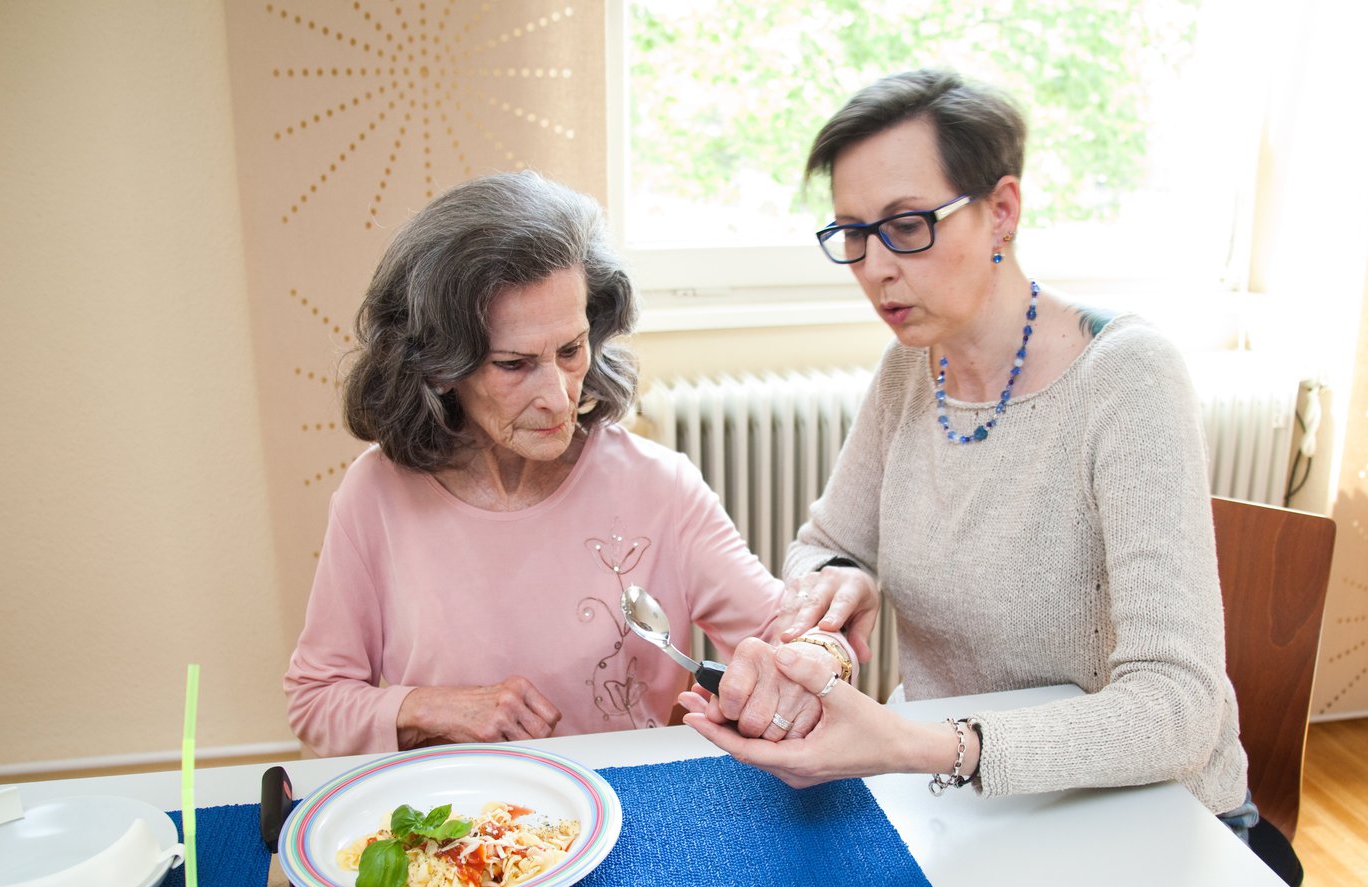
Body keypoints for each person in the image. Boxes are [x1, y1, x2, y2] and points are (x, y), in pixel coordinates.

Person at [680, 69, 1255, 838]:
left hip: (1147, 820)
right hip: (971, 807)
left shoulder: (1128, 377)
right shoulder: (910, 368)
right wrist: (834, 601)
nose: (876, 267)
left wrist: (919, 745)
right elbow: (826, 546)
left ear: (1002, 212)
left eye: (908, 224)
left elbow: (1179, 711)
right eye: (852, 233)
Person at [285, 172, 854, 758]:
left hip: (629, 813)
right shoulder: (375, 494)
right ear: (439, 366)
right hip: (459, 830)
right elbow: (315, 699)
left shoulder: (661, 487)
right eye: (513, 364)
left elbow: (786, 636)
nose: (558, 398)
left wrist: (818, 655)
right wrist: (432, 707)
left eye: (570, 349)